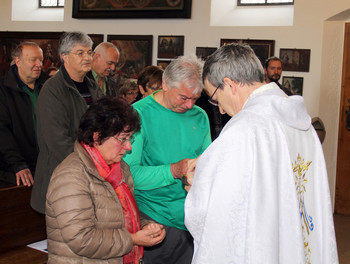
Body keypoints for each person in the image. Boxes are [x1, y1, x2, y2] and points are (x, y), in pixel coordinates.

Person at [184, 43, 338, 264]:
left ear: (229, 84)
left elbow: (217, 213)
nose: (220, 109)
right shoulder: (298, 119)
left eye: (215, 98)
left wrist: (197, 184)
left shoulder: (245, 128)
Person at [45, 97, 166, 263]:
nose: (129, 147)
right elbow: (82, 239)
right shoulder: (71, 176)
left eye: (130, 138)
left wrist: (146, 227)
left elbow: (120, 218)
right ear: (97, 136)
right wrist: (133, 239)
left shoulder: (120, 167)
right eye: (123, 138)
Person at [124, 55, 211, 264]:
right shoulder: (139, 114)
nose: (190, 105)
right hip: (153, 219)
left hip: (192, 219)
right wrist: (173, 170)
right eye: (183, 97)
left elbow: (209, 167)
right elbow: (129, 175)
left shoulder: (200, 116)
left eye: (195, 98)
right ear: (164, 84)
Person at [31, 31, 104, 214]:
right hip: (62, 176)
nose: (87, 57)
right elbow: (58, 142)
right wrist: (94, 164)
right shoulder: (52, 90)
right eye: (80, 53)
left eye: (89, 52)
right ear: (64, 57)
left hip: (91, 174)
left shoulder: (93, 86)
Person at [0, 42, 47, 187]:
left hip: (46, 166)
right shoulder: (3, 90)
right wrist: (18, 164)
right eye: (33, 60)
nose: (39, 64)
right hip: (16, 170)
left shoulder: (49, 86)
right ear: (18, 61)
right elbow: (2, 131)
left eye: (41, 60)